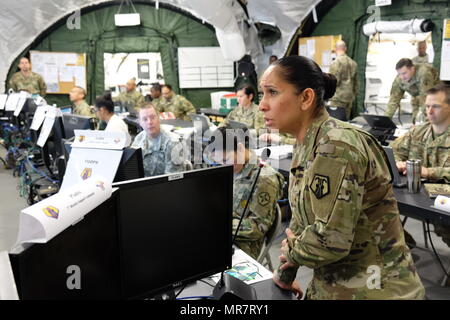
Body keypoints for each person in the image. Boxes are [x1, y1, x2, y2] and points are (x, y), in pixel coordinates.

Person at [258, 55, 424, 300]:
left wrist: (292, 250)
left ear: (305, 98)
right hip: (335, 284)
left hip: (375, 290)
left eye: (272, 92)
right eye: (263, 93)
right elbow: (303, 222)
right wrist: (284, 277)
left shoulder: (336, 147)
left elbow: (330, 241)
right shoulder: (307, 144)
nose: (262, 105)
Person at [210, 126, 285, 260]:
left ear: (240, 148)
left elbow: (258, 227)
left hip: (243, 244)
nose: (224, 167)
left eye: (226, 160)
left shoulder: (264, 179)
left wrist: (220, 225)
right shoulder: (235, 167)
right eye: (219, 163)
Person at [391, 83, 450, 249]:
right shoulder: (418, 132)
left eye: (436, 107)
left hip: (444, 200)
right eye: (427, 106)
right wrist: (398, 162)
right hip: (417, 195)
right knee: (378, 207)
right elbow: (393, 151)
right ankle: (405, 245)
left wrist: (429, 172)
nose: (429, 111)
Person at [131, 103, 185, 176]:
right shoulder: (139, 139)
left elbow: (173, 178)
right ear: (140, 122)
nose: (149, 122)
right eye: (145, 119)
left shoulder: (172, 142)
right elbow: (134, 171)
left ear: (158, 118)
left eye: (152, 117)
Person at [385, 58, 440, 124]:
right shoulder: (399, 79)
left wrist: (423, 119)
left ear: (412, 69)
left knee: (428, 121)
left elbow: (426, 98)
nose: (402, 77)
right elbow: (393, 100)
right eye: (399, 74)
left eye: (404, 73)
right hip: (417, 97)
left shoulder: (423, 73)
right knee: (416, 122)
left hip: (435, 97)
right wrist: (385, 120)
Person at [328, 40, 358, 120]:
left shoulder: (336, 63)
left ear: (336, 49)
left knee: (336, 123)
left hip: (338, 98)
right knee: (346, 122)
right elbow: (356, 83)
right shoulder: (353, 63)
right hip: (349, 97)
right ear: (345, 48)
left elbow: (333, 81)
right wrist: (353, 95)